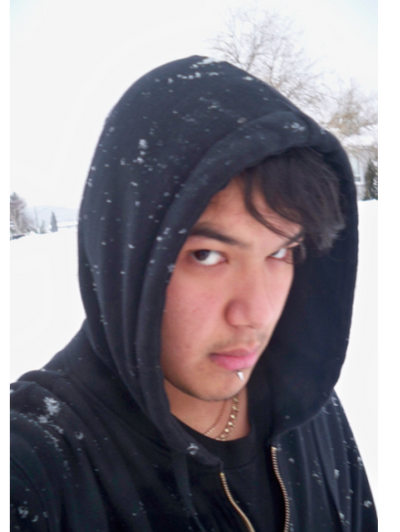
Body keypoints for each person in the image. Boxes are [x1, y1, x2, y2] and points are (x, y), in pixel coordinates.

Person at [7, 56, 379, 531]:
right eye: (207, 255)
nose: (256, 313)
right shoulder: (40, 465)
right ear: (125, 256)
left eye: (281, 252)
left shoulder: (306, 403)